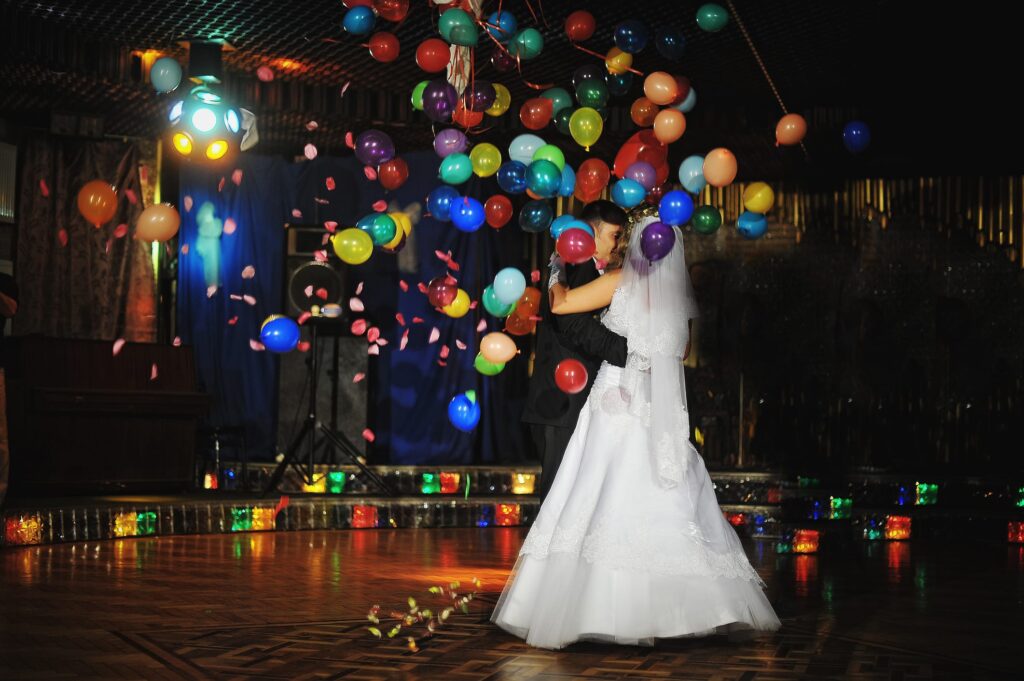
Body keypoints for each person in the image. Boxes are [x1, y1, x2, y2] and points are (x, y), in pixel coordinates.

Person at [492, 206, 781, 649]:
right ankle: (686, 609)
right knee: (660, 497)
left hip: (612, 402)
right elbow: (679, 353)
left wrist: (553, 271)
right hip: (652, 405)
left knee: (598, 490)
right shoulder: (676, 304)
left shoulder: (623, 283)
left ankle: (592, 607)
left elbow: (562, 304)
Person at [520, 200, 629, 504]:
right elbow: (571, 322)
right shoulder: (577, 264)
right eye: (614, 235)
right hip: (562, 401)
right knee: (558, 495)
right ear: (592, 231)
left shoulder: (573, 266)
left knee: (570, 492)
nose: (617, 243)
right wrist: (625, 352)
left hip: (564, 400)